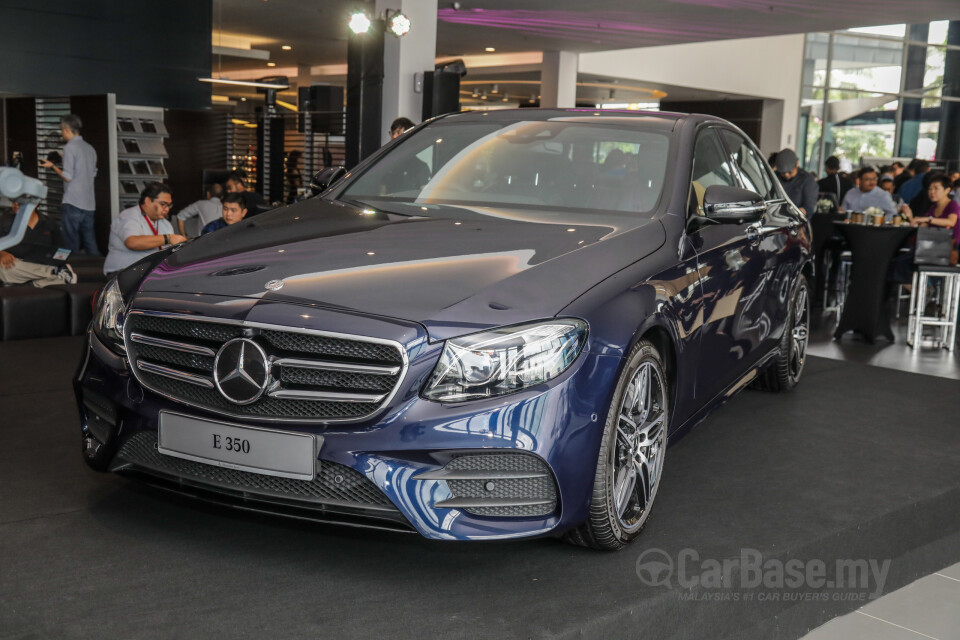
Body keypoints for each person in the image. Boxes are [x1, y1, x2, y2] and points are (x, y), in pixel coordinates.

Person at [39, 113, 99, 255]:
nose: (61, 133)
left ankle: (71, 270)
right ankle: (99, 270)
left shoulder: (70, 147)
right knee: (90, 240)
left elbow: (67, 177)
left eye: (61, 130)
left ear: (66, 129)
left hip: (73, 201)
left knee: (70, 240)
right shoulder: (90, 148)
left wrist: (52, 166)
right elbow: (92, 173)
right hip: (89, 202)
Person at [103, 183, 186, 275]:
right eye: (163, 204)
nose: (167, 209)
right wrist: (168, 238)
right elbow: (132, 243)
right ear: (147, 201)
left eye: (169, 205)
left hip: (152, 272)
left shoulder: (165, 224)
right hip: (123, 271)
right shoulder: (129, 216)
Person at [0, 202, 77, 287]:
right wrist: (1, 253)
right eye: (14, 202)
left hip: (39, 264)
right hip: (14, 265)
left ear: (35, 204)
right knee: (4, 269)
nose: (15, 205)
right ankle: (54, 272)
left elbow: (61, 252)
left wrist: (58, 261)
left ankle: (30, 284)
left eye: (20, 202)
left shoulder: (50, 223)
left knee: (60, 278)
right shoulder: (4, 221)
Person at [907, 173, 959, 243]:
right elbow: (922, 227)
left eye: (936, 188)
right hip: (937, 245)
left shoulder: (952, 204)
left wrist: (928, 219)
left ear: (947, 190)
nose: (932, 192)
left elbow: (951, 222)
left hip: (952, 247)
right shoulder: (933, 207)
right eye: (930, 189)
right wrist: (910, 217)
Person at [774, 148, 817, 215]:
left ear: (797, 164)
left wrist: (792, 214)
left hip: (797, 220)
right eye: (782, 172)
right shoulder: (775, 176)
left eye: (790, 172)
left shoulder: (807, 180)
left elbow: (809, 207)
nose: (786, 175)